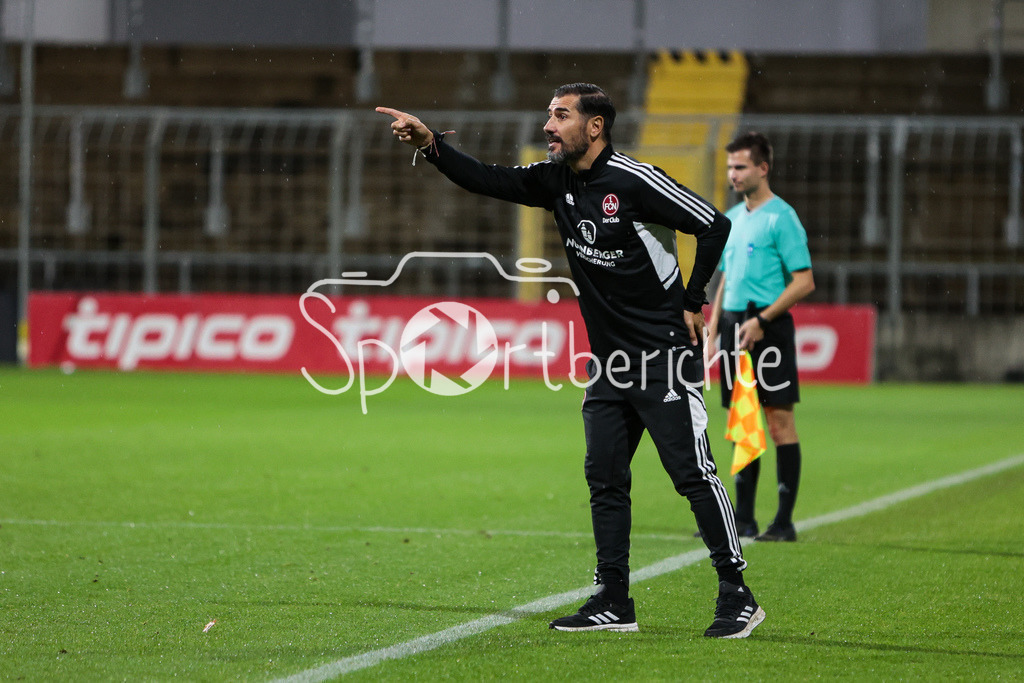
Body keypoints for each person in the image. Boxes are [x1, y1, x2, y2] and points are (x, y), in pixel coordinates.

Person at [377, 83, 765, 639]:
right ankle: (613, 599)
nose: (548, 126)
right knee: (605, 476)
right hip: (608, 363)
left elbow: (713, 224)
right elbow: (488, 178)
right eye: (548, 115)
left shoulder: (634, 181)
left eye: (560, 116)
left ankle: (738, 595)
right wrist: (432, 144)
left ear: (595, 126)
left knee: (692, 473)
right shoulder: (554, 179)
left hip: (662, 356)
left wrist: (692, 298)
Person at [706, 131, 815, 543]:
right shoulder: (731, 219)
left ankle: (783, 521)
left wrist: (763, 320)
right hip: (735, 325)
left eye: (740, 167)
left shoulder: (782, 217)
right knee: (742, 422)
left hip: (765, 326)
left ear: (762, 168)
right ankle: (744, 519)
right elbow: (726, 278)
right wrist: (714, 326)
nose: (732, 174)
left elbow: (804, 281)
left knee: (778, 420)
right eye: (730, 167)